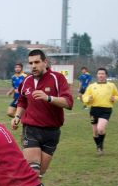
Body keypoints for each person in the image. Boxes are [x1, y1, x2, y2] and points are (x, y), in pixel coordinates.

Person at [10, 49, 73, 177]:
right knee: (32, 172)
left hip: (52, 132)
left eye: (37, 62)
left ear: (45, 62)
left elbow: (68, 103)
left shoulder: (57, 78)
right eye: (31, 63)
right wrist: (17, 116)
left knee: (39, 175)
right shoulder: (26, 81)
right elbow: (22, 100)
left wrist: (48, 98)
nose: (33, 66)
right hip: (31, 130)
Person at [82, 68, 118, 155]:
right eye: (99, 73)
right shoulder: (91, 86)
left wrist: (115, 98)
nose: (101, 75)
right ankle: (99, 147)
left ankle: (100, 146)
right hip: (94, 110)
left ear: (106, 75)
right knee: (95, 132)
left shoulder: (111, 85)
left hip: (106, 110)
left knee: (100, 129)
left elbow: (117, 95)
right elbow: (84, 97)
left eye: (103, 74)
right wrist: (88, 99)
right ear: (97, 75)